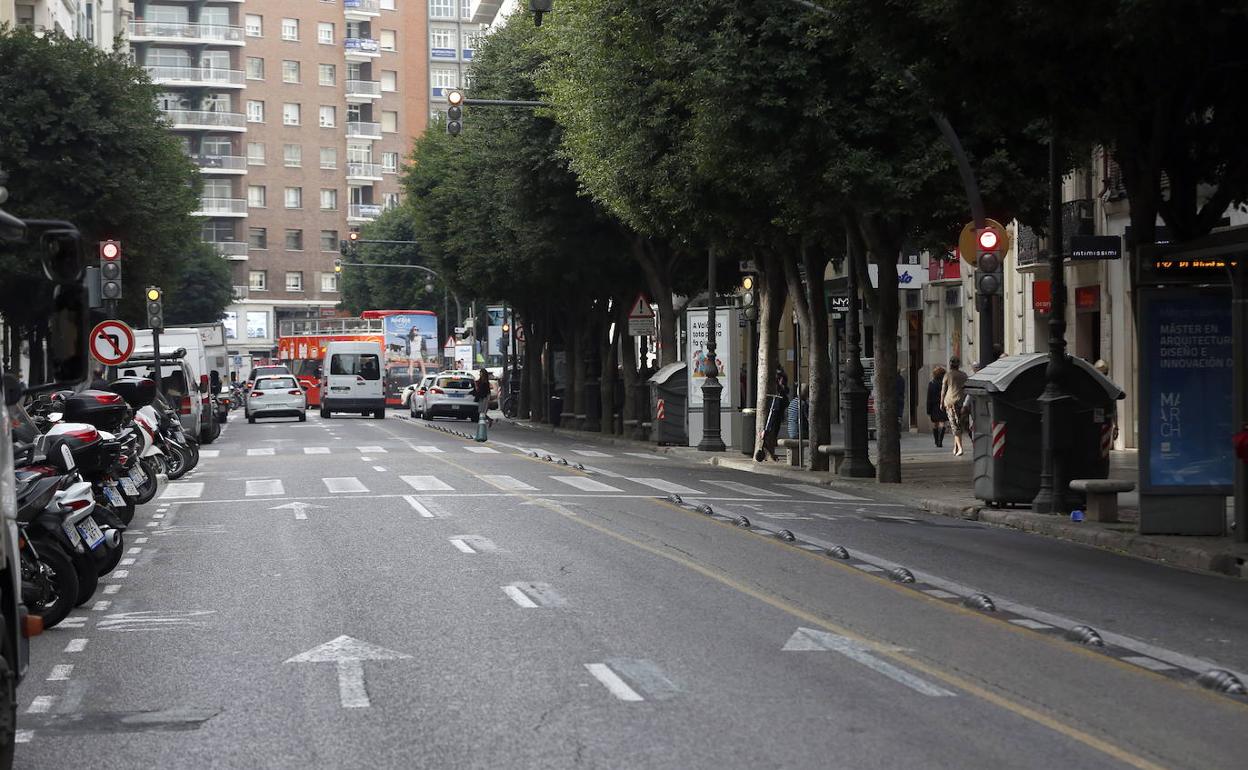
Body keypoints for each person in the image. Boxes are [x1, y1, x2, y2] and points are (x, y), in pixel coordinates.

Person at [941, 356, 969, 456]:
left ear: (950, 364)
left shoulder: (947, 375)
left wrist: (941, 403)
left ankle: (960, 448)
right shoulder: (964, 375)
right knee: (959, 425)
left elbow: (943, 390)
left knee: (955, 426)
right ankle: (956, 447)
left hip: (951, 402)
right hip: (962, 403)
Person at [926, 365, 947, 447]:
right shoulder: (944, 383)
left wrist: (928, 409)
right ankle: (940, 441)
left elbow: (929, 397)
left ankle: (936, 440)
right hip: (943, 405)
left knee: (935, 424)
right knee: (942, 422)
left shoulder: (931, 383)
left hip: (934, 405)